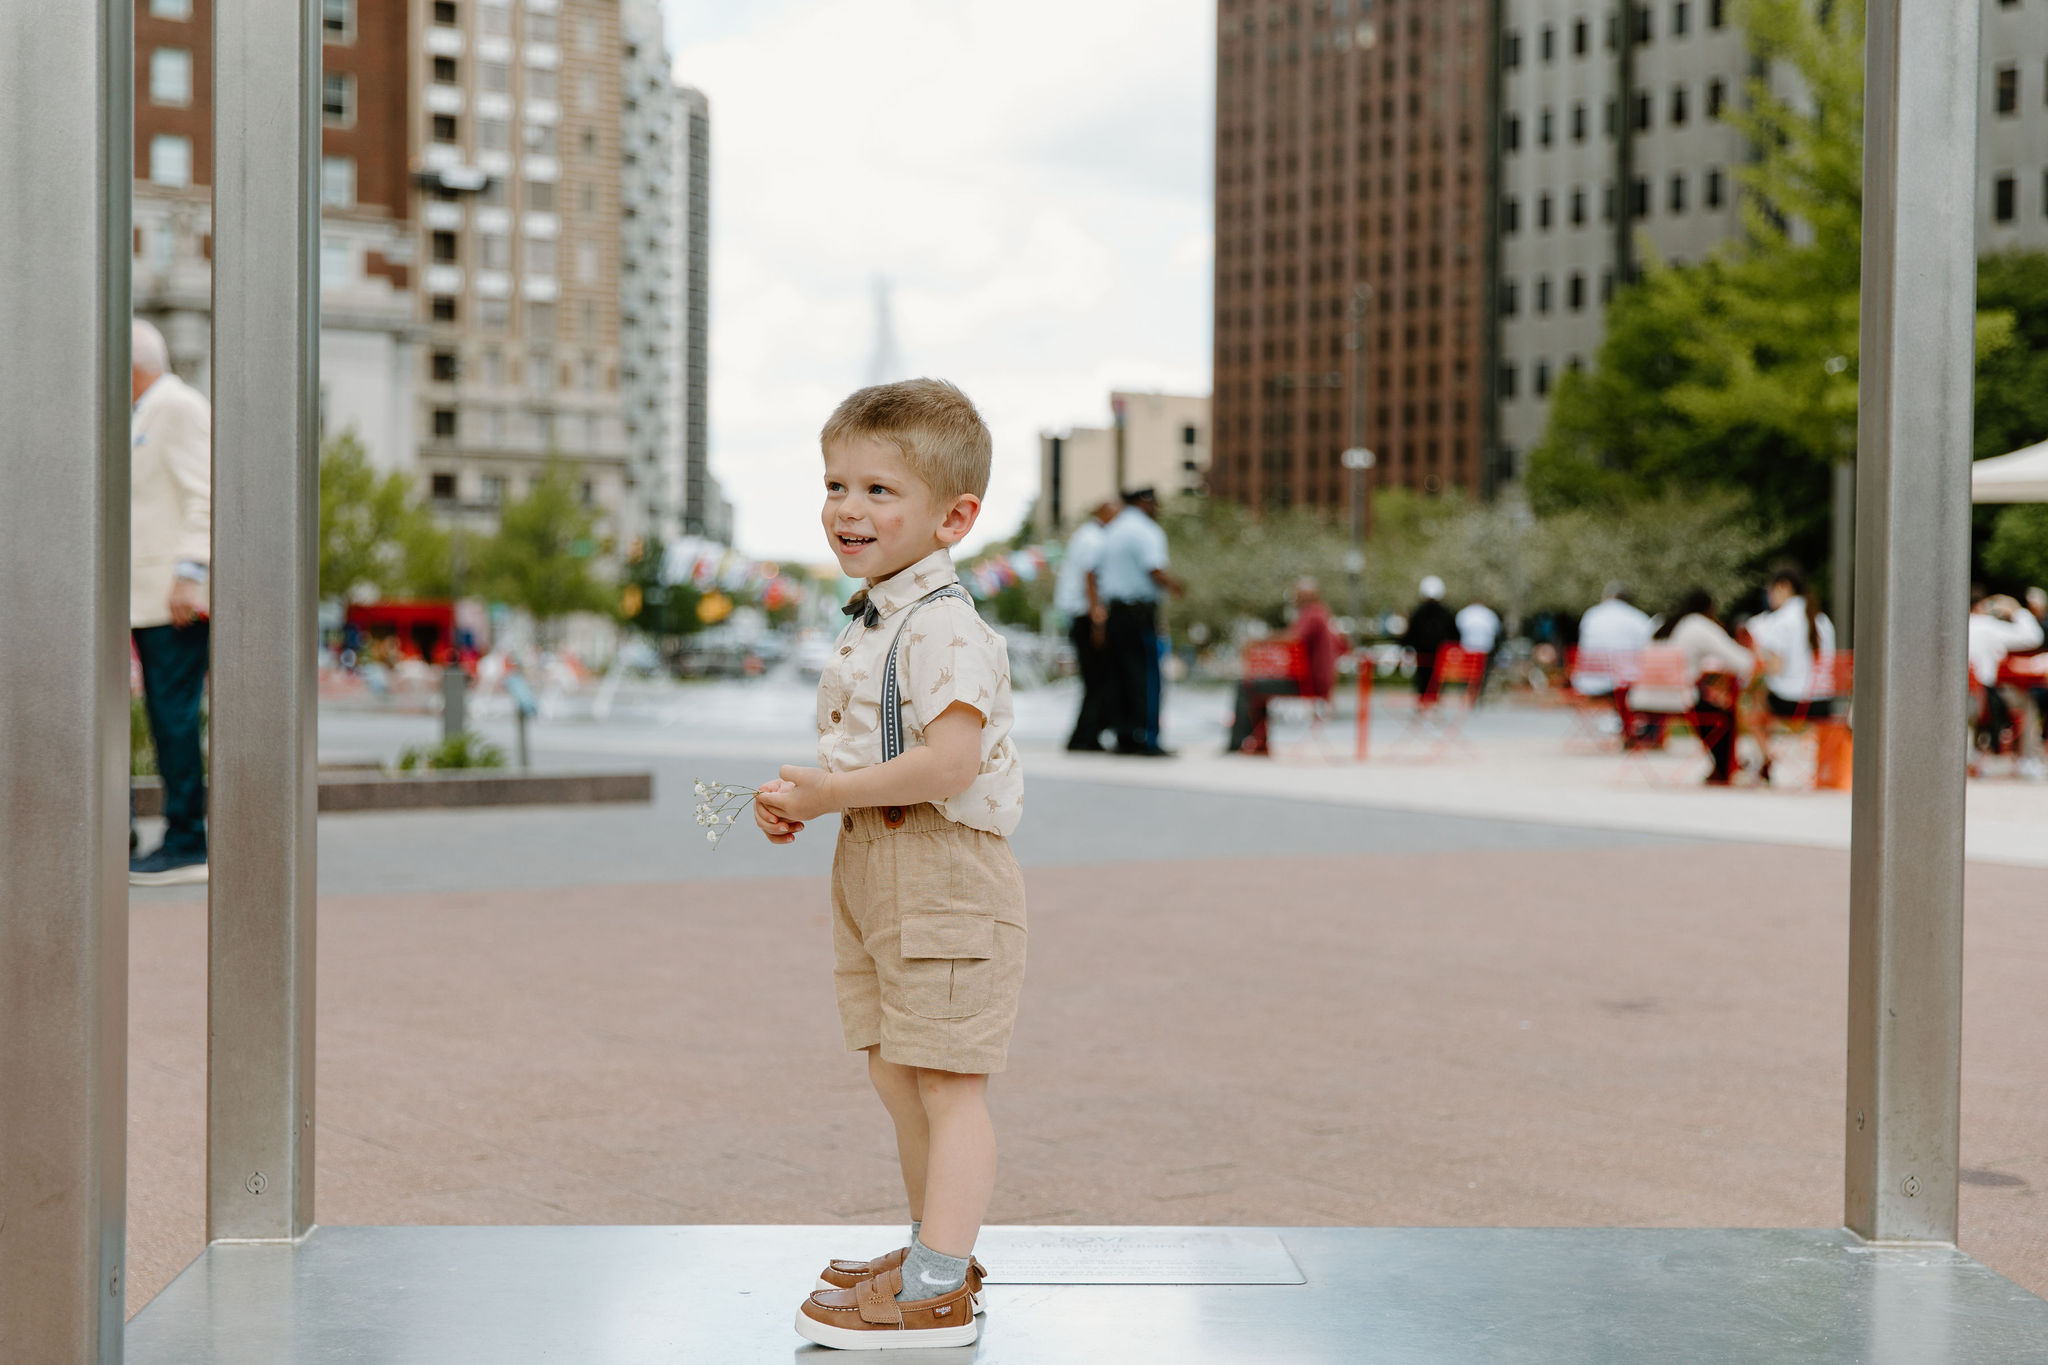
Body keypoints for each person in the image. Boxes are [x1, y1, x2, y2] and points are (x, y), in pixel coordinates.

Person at [752, 380, 1022, 1350]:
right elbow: (878, 753)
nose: (848, 511)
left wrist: (828, 796)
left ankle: (940, 1283)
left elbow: (948, 764)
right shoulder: (876, 611)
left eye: (877, 491)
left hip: (941, 867)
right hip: (877, 862)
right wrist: (809, 800)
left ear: (953, 517)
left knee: (947, 1081)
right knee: (895, 1069)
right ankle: (927, 1249)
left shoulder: (942, 622)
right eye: (836, 485)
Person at [128, 318, 214, 886]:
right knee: (162, 717)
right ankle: (150, 834)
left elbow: (203, 489)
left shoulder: (176, 407)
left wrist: (190, 574)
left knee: (173, 718)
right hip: (142, 598)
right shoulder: (142, 413)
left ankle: (187, 840)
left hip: (170, 599)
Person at [1088, 487, 1183, 756]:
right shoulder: (1145, 531)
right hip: (1138, 613)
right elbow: (1154, 568)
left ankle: (1125, 735)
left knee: (1120, 676)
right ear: (1146, 502)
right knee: (1147, 676)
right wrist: (1176, 586)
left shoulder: (1110, 531)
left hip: (1114, 612)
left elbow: (1093, 574)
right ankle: (1147, 738)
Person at [1634, 589, 1754, 784]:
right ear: (1709, 609)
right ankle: (1727, 768)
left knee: (1707, 709)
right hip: (1676, 699)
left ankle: (1722, 769)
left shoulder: (1662, 625)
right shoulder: (1697, 625)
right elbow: (1740, 661)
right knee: (1722, 716)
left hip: (1642, 697)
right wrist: (1757, 657)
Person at [1227, 578, 1340, 754]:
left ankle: (1238, 743)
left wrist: (1259, 641)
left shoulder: (1312, 614)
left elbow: (1293, 637)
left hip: (1308, 683)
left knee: (1246, 685)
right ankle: (1259, 741)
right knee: (1256, 687)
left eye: (1298, 595)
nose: (1295, 599)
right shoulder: (1323, 614)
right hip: (1313, 680)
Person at [1056, 501, 1118, 751]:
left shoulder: (1085, 536)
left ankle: (1089, 732)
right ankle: (1085, 735)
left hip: (1080, 614)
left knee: (1095, 679)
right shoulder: (1095, 540)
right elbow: (1090, 577)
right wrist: (1098, 619)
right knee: (1097, 679)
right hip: (1085, 615)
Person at [1967, 587, 2044, 766]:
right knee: (2027, 703)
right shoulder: (1986, 626)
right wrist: (2016, 610)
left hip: (1966, 694)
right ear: (1980, 606)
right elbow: (2033, 637)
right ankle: (2028, 759)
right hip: (1983, 697)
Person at [1749, 564, 1837, 722]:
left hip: (1792, 701)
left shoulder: (1780, 620)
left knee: (1753, 704)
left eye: (1770, 590)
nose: (1769, 597)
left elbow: (1776, 668)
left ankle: (1768, 748)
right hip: (1823, 702)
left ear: (1783, 586)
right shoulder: (1823, 620)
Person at [1573, 583, 1655, 745]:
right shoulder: (1637, 618)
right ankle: (1642, 734)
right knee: (1638, 680)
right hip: (1624, 682)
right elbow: (1648, 650)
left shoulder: (1590, 616)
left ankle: (1625, 727)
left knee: (1623, 678)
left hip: (1588, 680)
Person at [1400, 575, 1458, 699]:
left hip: (1423, 657)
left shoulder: (1418, 612)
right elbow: (1455, 635)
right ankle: (1433, 701)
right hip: (1440, 657)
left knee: (1423, 678)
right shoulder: (1447, 613)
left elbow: (1410, 635)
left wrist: (1407, 648)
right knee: (1437, 680)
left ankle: (1423, 702)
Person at [1454, 596, 1502, 702]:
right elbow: (1497, 631)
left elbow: (1457, 631)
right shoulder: (1489, 614)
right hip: (1484, 650)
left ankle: (1466, 693)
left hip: (1468, 650)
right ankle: (1478, 694)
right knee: (1481, 674)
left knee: (1467, 673)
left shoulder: (1464, 613)